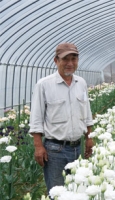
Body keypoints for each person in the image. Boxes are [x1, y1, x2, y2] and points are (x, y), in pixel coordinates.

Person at [29, 42, 94, 194]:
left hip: (77, 148)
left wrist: (89, 137)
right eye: (65, 59)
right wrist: (38, 147)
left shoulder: (81, 83)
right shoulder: (44, 85)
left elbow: (87, 112)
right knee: (58, 192)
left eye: (74, 59)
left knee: (77, 191)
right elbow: (36, 118)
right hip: (55, 150)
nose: (70, 63)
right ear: (56, 60)